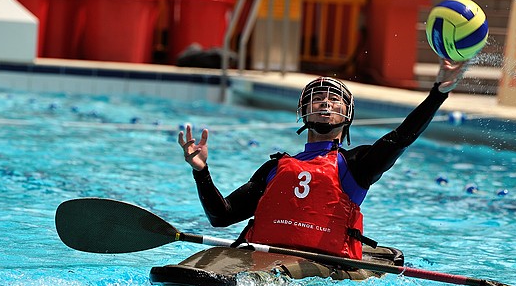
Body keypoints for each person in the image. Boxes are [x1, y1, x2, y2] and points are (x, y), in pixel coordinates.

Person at [178, 59, 469, 260]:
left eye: (334, 100)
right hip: (262, 257)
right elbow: (221, 217)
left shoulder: (357, 165)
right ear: (304, 112)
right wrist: (201, 171)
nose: (326, 102)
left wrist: (437, 94)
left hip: (321, 266)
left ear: (347, 115)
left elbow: (402, 137)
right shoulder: (274, 168)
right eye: (317, 99)